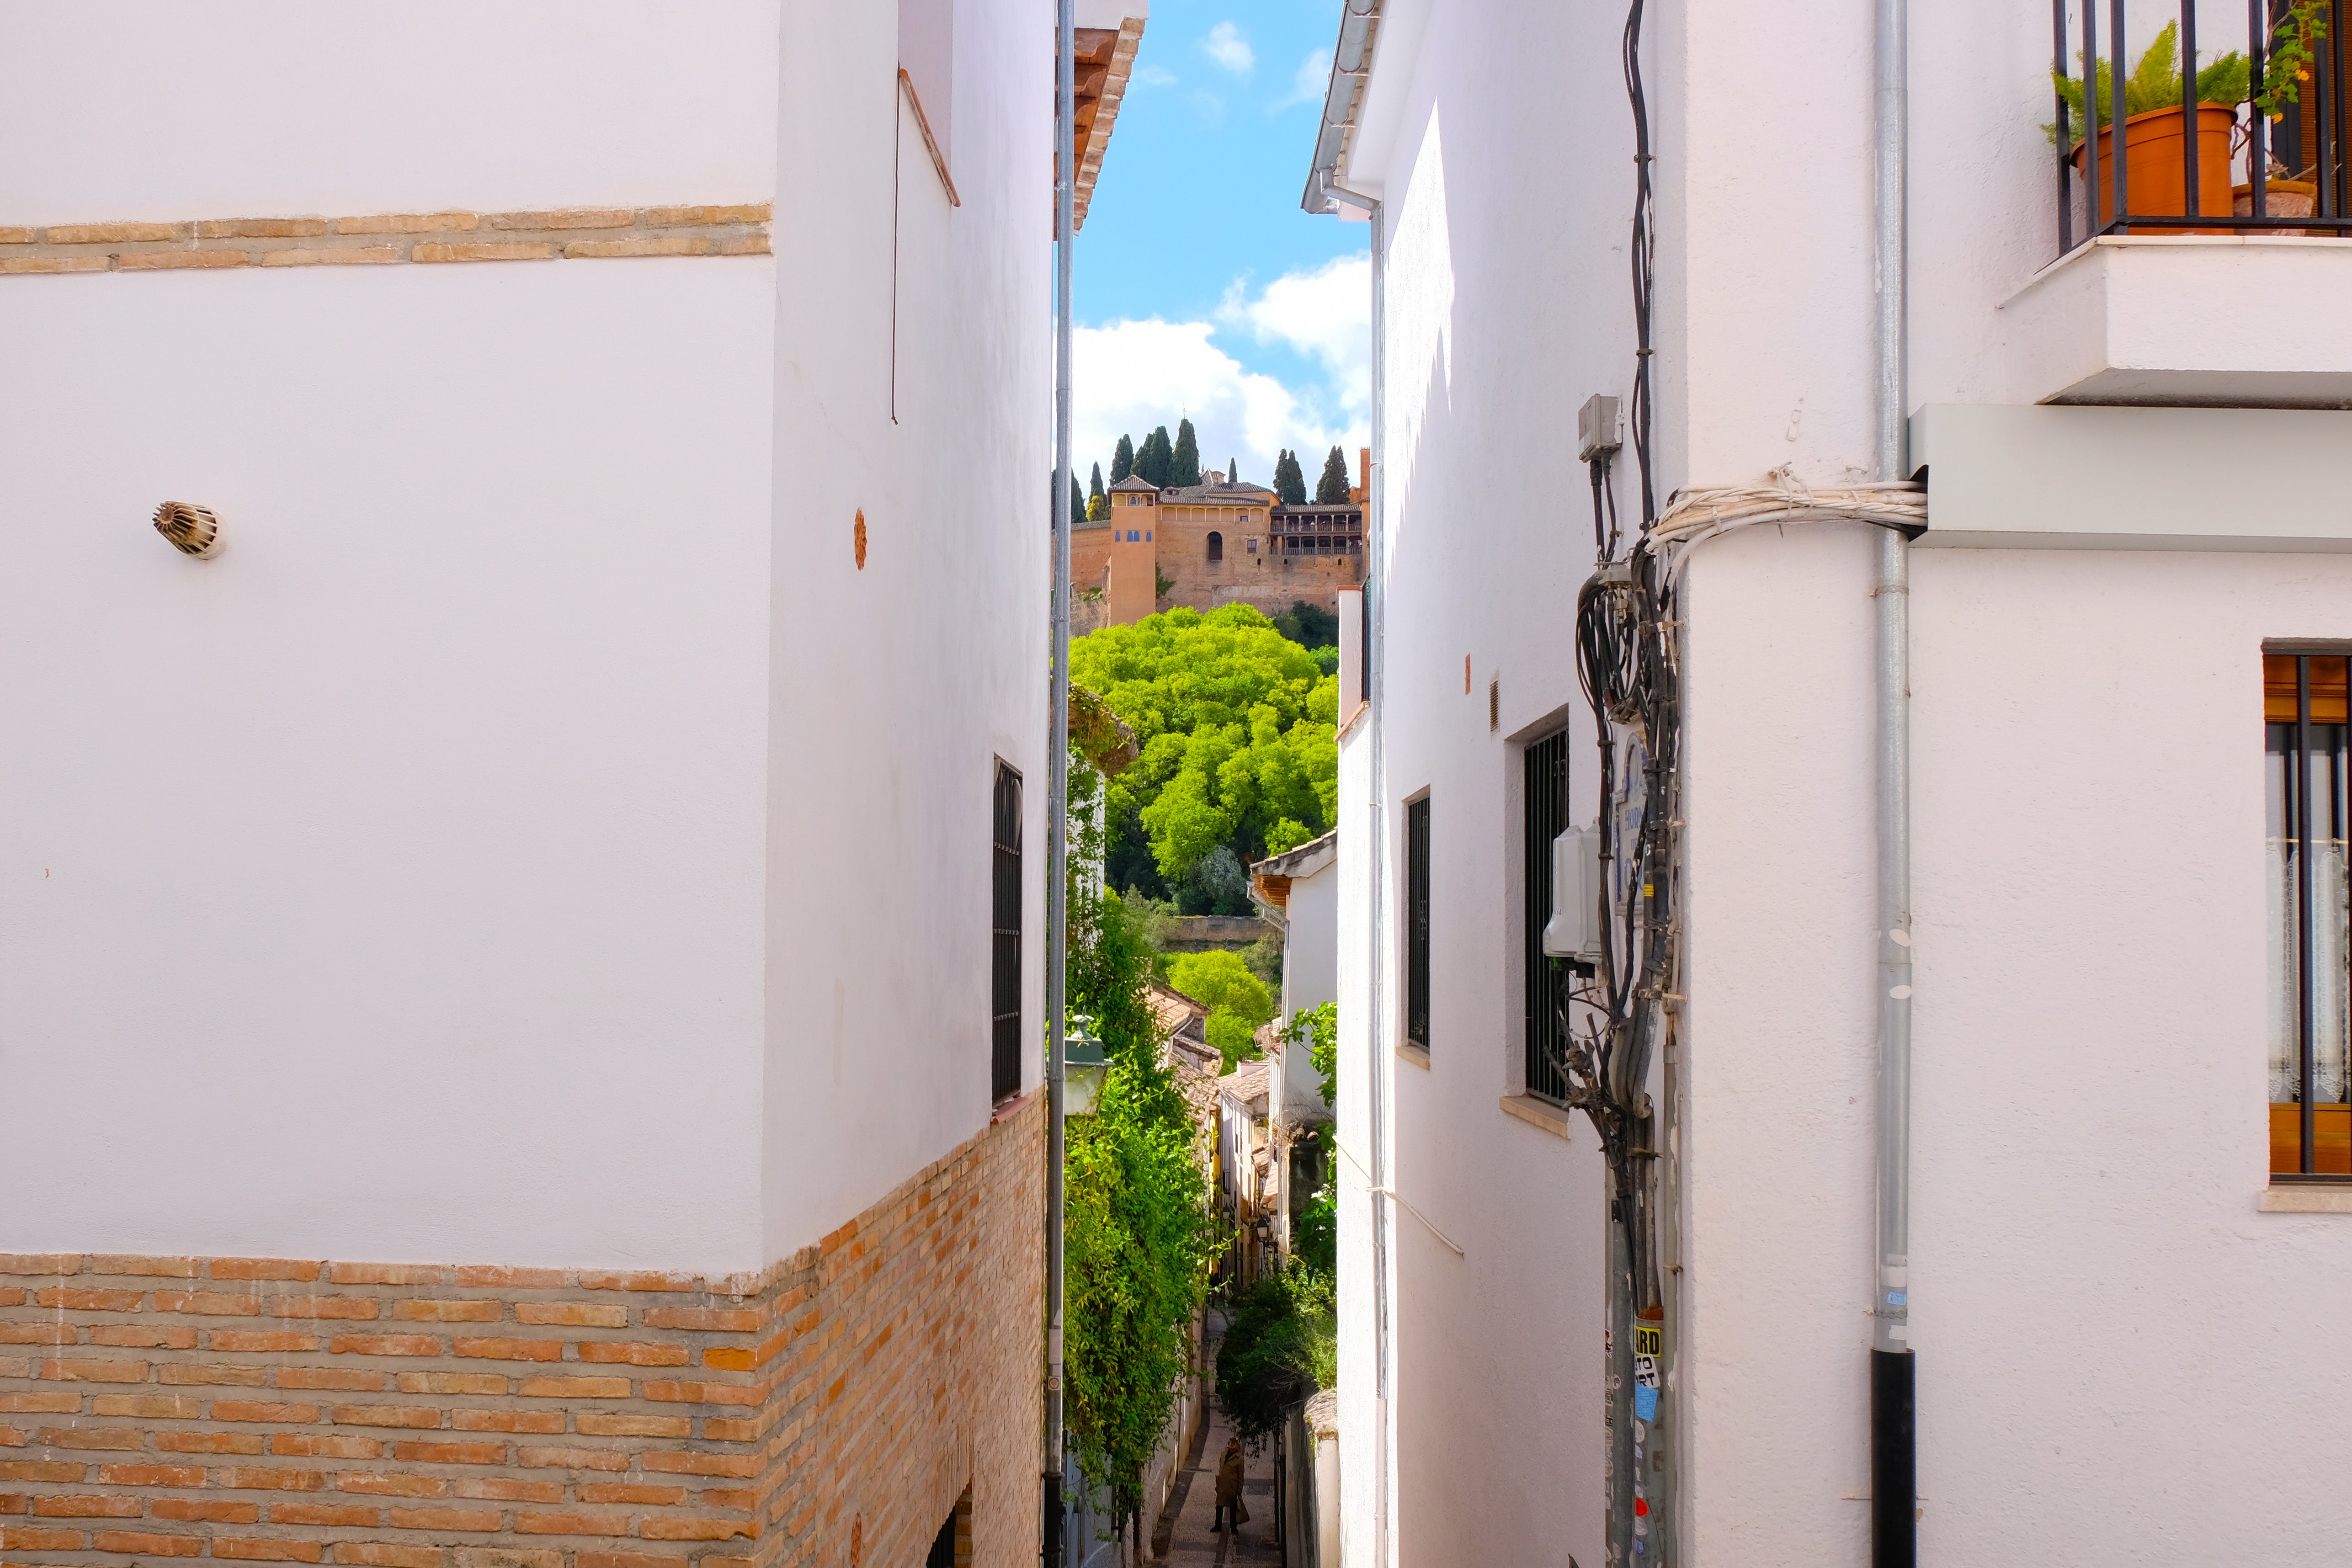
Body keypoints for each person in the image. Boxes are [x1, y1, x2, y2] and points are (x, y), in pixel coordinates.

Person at [1213, 1437, 1248, 1535]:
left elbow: (1241, 1475)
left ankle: (1234, 1527)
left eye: (1234, 1443)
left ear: (1238, 1446)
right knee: (1219, 1506)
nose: (1232, 1444)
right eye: (1231, 1442)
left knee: (1233, 1508)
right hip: (1222, 1485)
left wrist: (1239, 1490)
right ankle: (1218, 1525)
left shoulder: (1239, 1459)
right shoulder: (1224, 1454)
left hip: (1232, 1487)